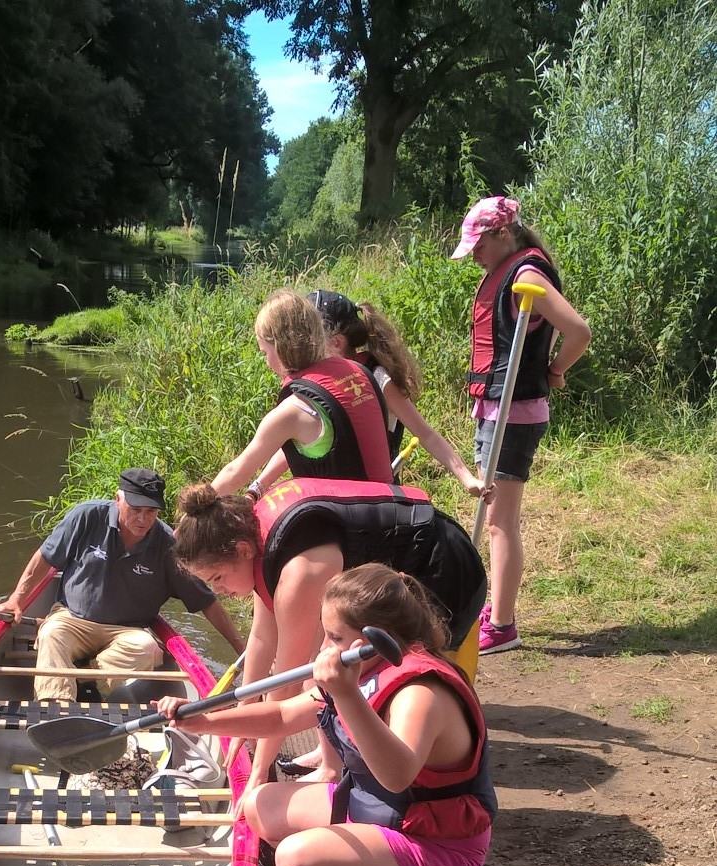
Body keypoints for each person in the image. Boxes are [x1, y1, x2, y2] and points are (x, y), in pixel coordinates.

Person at [156, 563, 495, 866]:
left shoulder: (420, 694)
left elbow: (396, 776)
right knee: (262, 806)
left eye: (334, 638)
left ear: (369, 641)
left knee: (295, 862)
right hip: (384, 815)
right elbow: (283, 715)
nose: (323, 649)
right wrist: (200, 721)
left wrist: (344, 692)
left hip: (438, 848)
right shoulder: (367, 669)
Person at [171, 476, 486, 797]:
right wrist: (243, 716)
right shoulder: (253, 541)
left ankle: (426, 777)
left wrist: (260, 770)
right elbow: (262, 639)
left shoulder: (298, 572)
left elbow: (286, 682)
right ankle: (330, 760)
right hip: (398, 570)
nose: (219, 590)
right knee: (324, 657)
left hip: (443, 565)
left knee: (400, 677)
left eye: (218, 578)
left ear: (242, 551)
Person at [451, 196, 591, 654]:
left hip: (515, 412)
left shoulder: (526, 275)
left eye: (478, 246)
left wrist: (556, 371)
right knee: (498, 518)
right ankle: (498, 610)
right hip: (497, 409)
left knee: (499, 522)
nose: (475, 255)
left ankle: (503, 625)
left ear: (502, 234)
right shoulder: (508, 270)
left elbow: (579, 331)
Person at [0, 467, 244, 703]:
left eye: (151, 511)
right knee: (51, 633)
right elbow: (45, 558)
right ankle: (55, 704)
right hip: (72, 619)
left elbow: (206, 601)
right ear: (117, 499)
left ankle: (86, 685)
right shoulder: (87, 516)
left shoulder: (168, 545)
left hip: (127, 631)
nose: (143, 519)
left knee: (148, 648)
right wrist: (16, 600)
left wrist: (242, 648)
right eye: (135, 509)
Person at [210, 289, 393, 497]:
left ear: (281, 348)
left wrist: (195, 509)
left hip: (351, 515)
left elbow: (235, 473)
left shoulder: (293, 411)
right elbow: (312, 439)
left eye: (265, 352)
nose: (267, 362)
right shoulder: (357, 371)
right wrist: (258, 488)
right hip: (388, 505)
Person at [309, 289, 487, 500]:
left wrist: (467, 478)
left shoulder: (376, 378)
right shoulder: (317, 382)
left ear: (337, 342)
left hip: (375, 499)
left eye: (310, 340)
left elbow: (426, 434)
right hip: (334, 496)